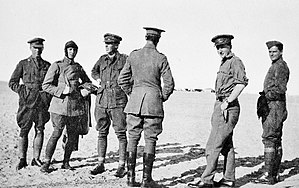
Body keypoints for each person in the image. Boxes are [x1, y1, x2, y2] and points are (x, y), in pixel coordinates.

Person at [118, 27, 175, 187]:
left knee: (133, 138)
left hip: (134, 104)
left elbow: (122, 79)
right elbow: (169, 84)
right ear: (157, 40)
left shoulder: (134, 55)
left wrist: (133, 93)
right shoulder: (161, 58)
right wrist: (160, 97)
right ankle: (146, 180)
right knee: (150, 139)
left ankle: (130, 179)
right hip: (153, 105)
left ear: (146, 38)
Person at [189, 34, 248, 188]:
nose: (220, 50)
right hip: (221, 104)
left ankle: (207, 180)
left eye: (223, 47)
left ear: (230, 46)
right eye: (218, 48)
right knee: (226, 145)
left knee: (212, 146)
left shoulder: (235, 62)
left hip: (228, 107)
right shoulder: (224, 63)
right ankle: (228, 179)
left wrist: (228, 101)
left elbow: (241, 83)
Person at [40, 40, 92, 173]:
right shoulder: (57, 66)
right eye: (70, 50)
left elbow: (87, 82)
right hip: (59, 107)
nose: (72, 52)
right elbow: (46, 85)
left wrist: (83, 89)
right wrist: (61, 91)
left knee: (72, 135)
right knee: (56, 133)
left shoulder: (78, 67)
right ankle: (46, 162)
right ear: (66, 51)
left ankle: (66, 162)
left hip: (74, 108)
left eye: (74, 50)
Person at [9, 38, 51, 170]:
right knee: (24, 130)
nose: (37, 50)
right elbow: (12, 82)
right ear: (30, 48)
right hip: (26, 103)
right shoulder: (23, 64)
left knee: (40, 129)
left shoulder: (47, 65)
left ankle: (36, 158)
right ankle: (22, 159)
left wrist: (47, 95)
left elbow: (52, 84)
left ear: (43, 48)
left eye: (39, 48)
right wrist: (23, 91)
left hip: (41, 103)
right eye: (35, 48)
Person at [90, 33, 128, 177]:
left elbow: (131, 75)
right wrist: (98, 78)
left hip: (118, 102)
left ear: (116, 45)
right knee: (101, 133)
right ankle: (100, 164)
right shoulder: (102, 59)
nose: (106, 46)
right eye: (105, 43)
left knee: (121, 133)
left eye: (109, 43)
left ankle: (121, 166)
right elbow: (94, 71)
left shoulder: (124, 59)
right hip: (102, 101)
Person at [256, 40, 289, 184]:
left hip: (274, 107)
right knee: (275, 139)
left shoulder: (280, 66)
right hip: (274, 106)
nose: (271, 54)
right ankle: (273, 174)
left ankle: (269, 174)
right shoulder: (276, 65)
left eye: (274, 51)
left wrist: (265, 96)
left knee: (269, 139)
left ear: (281, 52)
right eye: (270, 52)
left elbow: (280, 89)